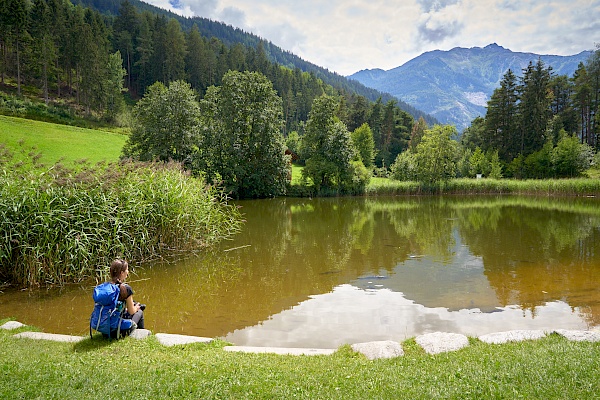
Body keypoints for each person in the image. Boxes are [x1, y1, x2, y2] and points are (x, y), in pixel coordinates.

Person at [109, 258, 145, 336]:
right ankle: (141, 334)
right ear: (122, 273)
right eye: (127, 270)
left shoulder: (106, 287)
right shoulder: (125, 288)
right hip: (116, 331)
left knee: (130, 308)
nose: (128, 272)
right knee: (139, 312)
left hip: (104, 328)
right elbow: (131, 311)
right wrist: (137, 307)